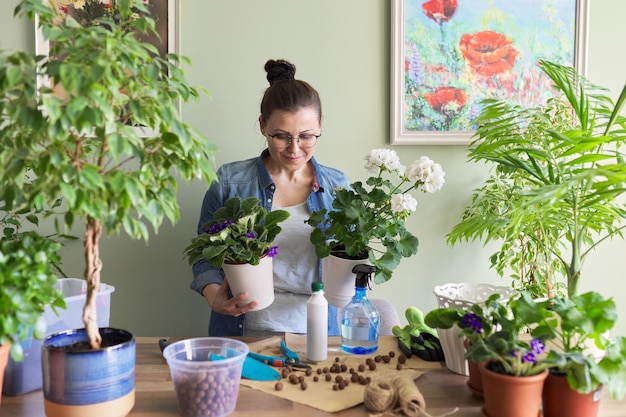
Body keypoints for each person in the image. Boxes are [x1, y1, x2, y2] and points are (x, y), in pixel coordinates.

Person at [190, 59, 350, 337]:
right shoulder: (229, 182)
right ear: (263, 125)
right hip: (243, 332)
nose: (294, 149)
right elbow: (204, 254)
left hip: (320, 335)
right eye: (281, 136)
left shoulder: (337, 186)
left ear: (320, 126)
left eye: (306, 136)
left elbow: (350, 257)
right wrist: (213, 294)